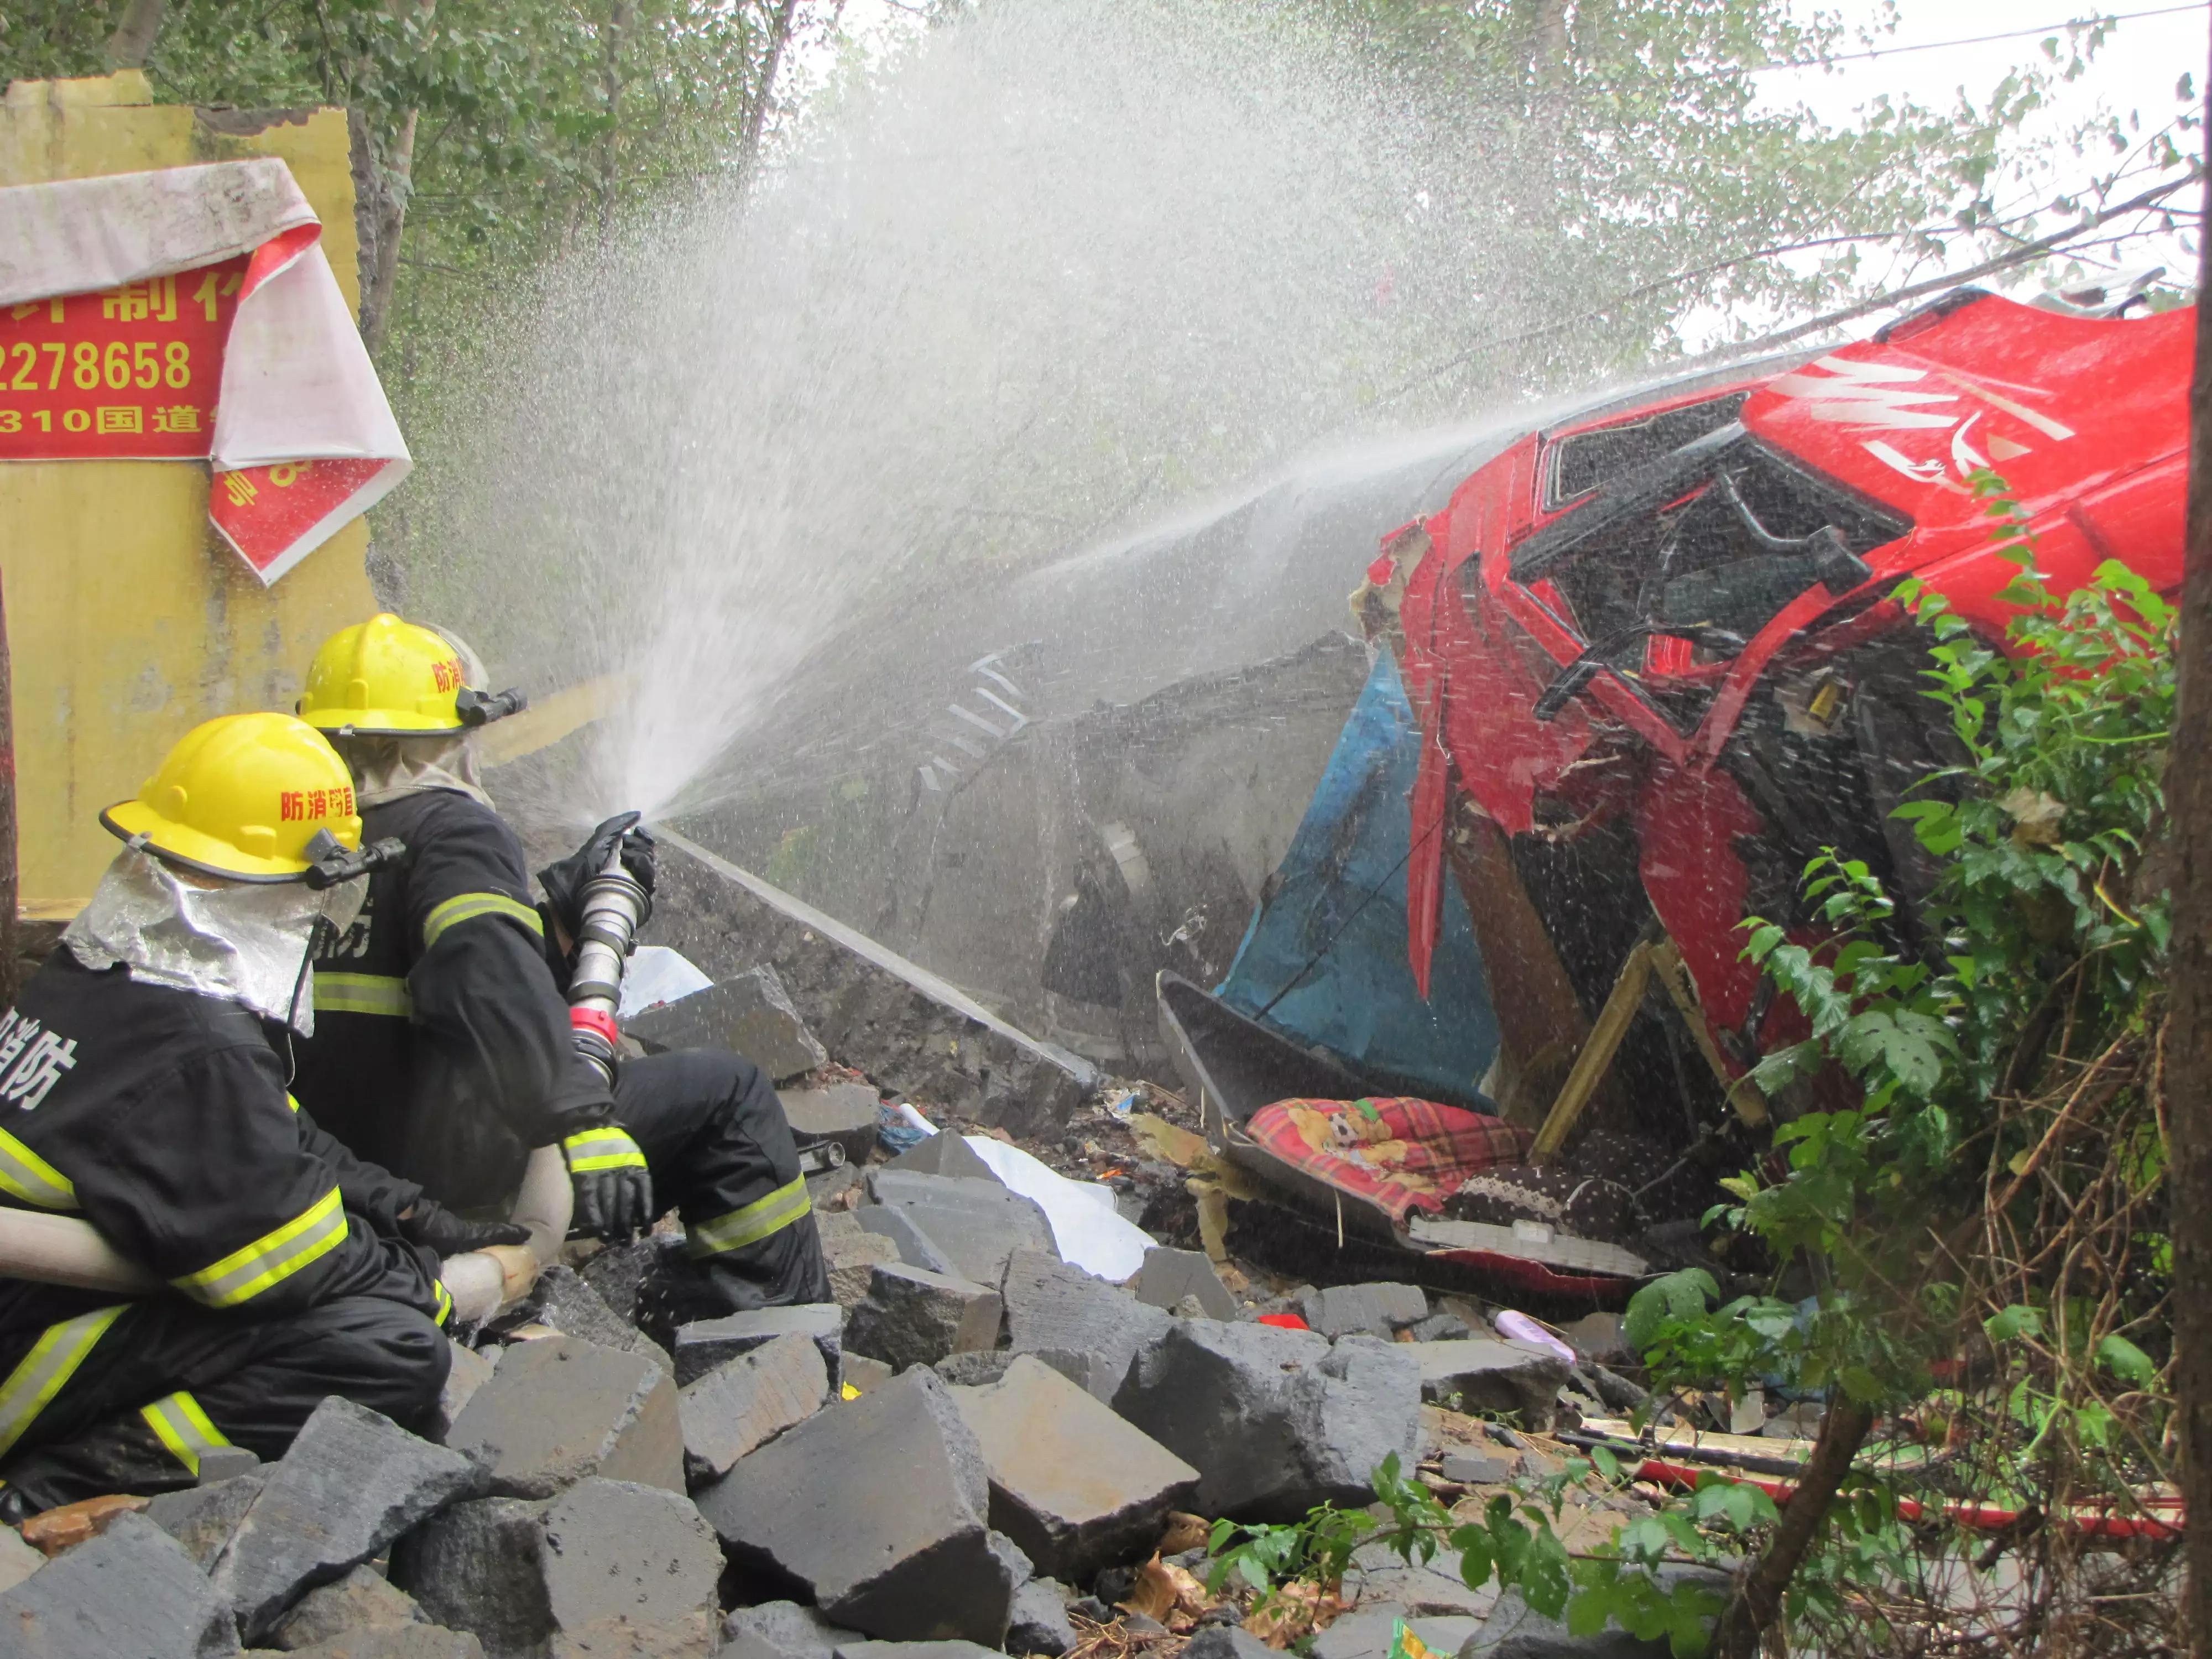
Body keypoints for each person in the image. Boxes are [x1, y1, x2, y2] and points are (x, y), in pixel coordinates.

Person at [0, 713, 518, 1517]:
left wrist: (408, 1209)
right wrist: (439, 1290)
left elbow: (276, 1135)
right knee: (390, 1351)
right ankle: (57, 1481)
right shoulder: (195, 1044)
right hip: (21, 1359)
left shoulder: (106, 971)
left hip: (29, 1304)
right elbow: (286, 1268)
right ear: (286, 888)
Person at [286, 614, 828, 1321]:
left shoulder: (295, 841)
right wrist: (581, 1121)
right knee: (729, 1095)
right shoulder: (450, 830)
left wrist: (560, 920)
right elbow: (485, 991)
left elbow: (443, 973)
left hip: (336, 1173)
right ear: (451, 733)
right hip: (452, 1174)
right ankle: (766, 1324)